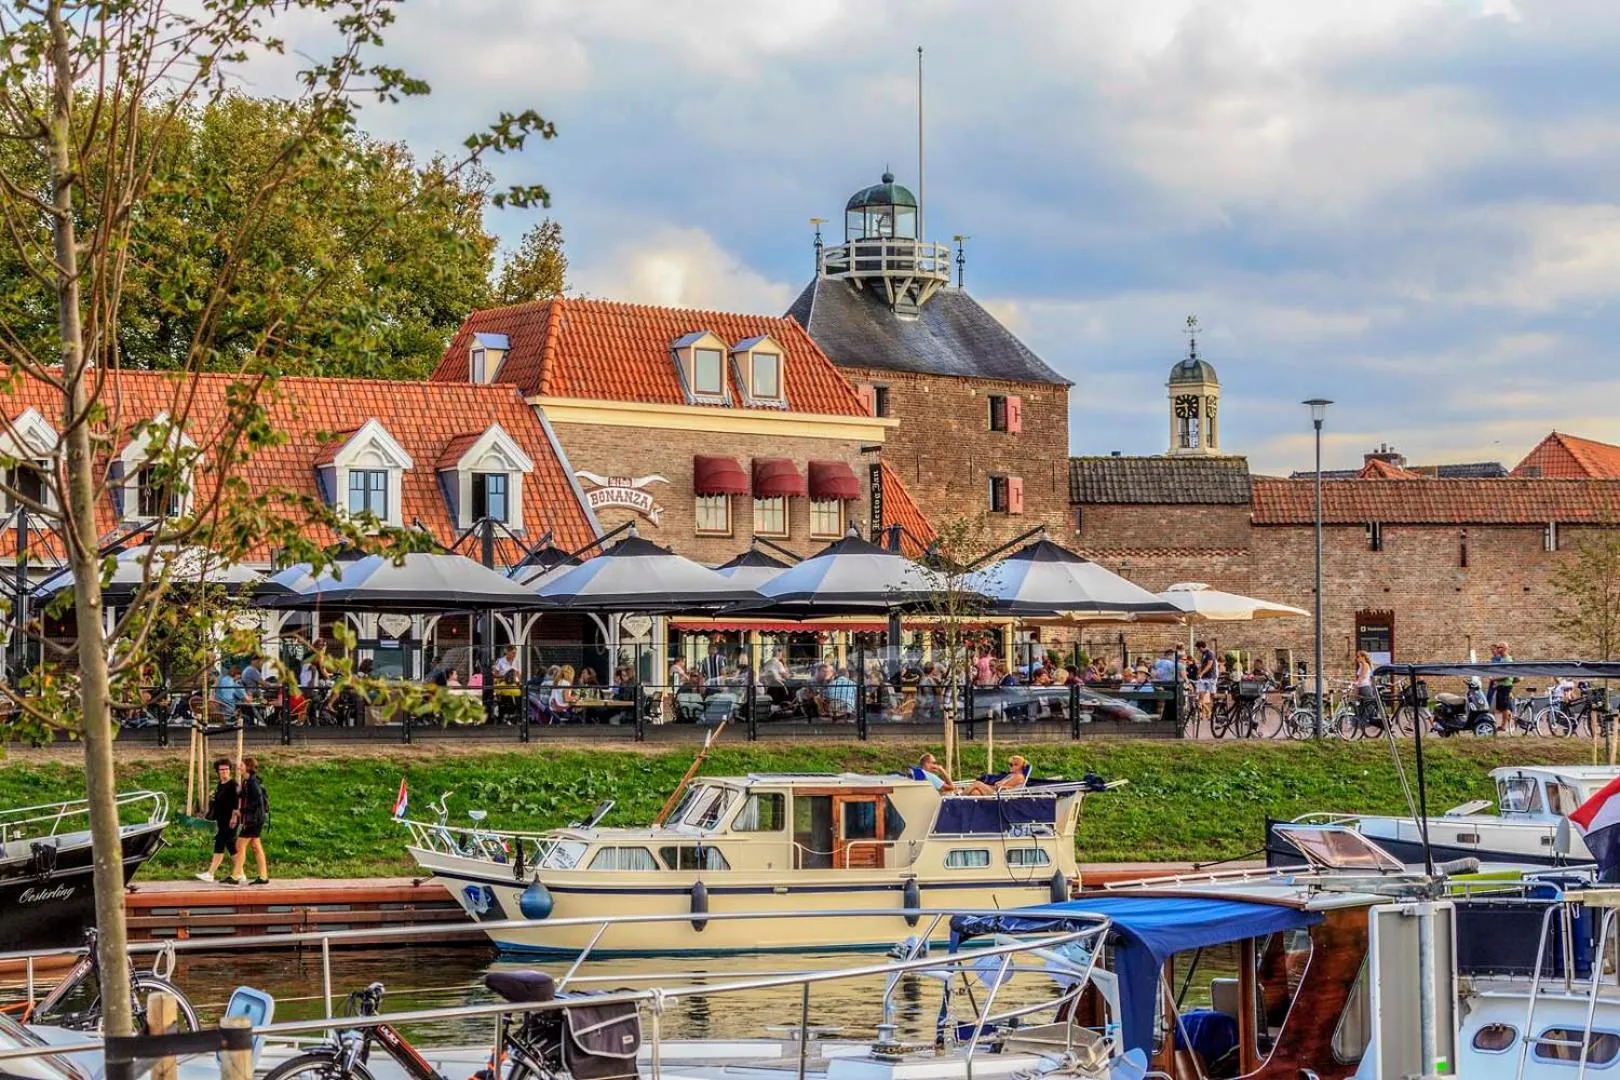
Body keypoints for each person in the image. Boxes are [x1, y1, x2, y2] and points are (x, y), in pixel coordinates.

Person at [195, 758, 238, 884]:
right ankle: (240, 872)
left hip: (230, 821)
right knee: (231, 847)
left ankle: (210, 873)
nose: (224, 771)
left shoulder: (233, 785)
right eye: (221, 769)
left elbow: (237, 804)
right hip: (221, 820)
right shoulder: (220, 785)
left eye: (226, 769)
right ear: (218, 771)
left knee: (219, 843)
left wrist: (234, 818)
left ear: (230, 770)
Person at [228, 756, 270, 886]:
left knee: (240, 845)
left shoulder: (252, 783)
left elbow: (256, 801)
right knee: (256, 847)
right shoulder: (248, 781)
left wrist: (241, 811)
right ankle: (263, 876)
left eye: (241, 765)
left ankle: (235, 876)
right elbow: (245, 795)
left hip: (254, 820)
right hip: (257, 819)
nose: (239, 767)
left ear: (248, 767)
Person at [963, 754, 1030, 797]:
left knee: (977, 783)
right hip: (996, 792)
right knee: (975, 792)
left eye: (1012, 765)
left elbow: (1003, 786)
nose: (1010, 766)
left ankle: (958, 797)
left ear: (1020, 766)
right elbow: (999, 784)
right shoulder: (1011, 775)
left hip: (1000, 796)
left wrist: (999, 784)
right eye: (1010, 764)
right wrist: (998, 784)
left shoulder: (1019, 777)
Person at [1488, 641, 1516, 731]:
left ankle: (1507, 725)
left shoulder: (1507, 660)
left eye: (1500, 647)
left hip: (1505, 686)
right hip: (1501, 686)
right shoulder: (1502, 659)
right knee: (1502, 707)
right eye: (1498, 647)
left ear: (1505, 648)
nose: (1498, 649)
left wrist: (1494, 679)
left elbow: (1506, 675)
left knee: (1505, 707)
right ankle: (1505, 725)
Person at [1353, 650, 1378, 728]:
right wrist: (1356, 687)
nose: (1356, 658)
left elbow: (1362, 676)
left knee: (1366, 705)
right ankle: (1360, 723)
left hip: (1365, 687)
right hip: (1361, 687)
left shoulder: (1365, 665)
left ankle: (1368, 722)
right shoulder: (1361, 665)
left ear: (1363, 657)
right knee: (1360, 705)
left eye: (1358, 657)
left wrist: (1356, 683)